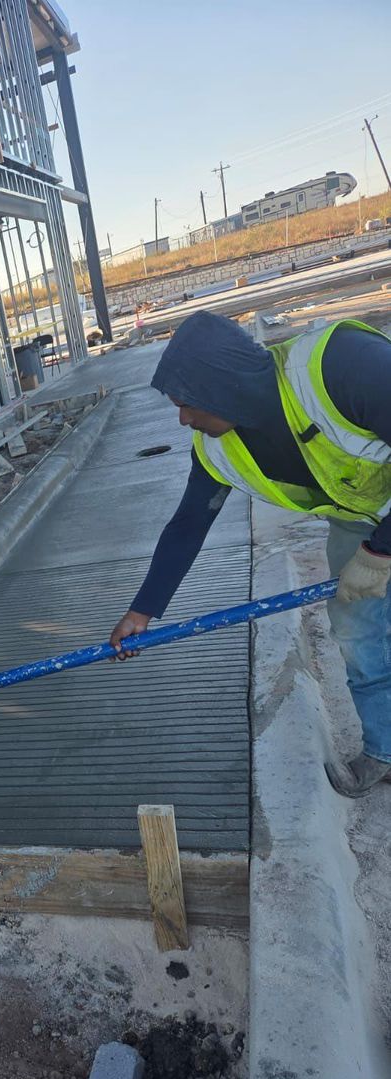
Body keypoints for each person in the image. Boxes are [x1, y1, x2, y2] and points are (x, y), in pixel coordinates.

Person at [108, 311, 391, 798]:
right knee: (358, 630)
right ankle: (386, 750)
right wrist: (143, 609)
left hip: (381, 527)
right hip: (362, 517)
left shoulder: (342, 366)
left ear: (223, 387)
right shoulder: (218, 449)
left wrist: (381, 551)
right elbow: (189, 523)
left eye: (186, 404)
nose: (183, 419)